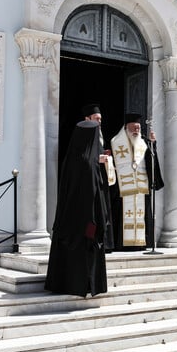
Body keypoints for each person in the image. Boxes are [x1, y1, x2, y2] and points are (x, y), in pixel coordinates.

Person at [45, 120, 108, 297]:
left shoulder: (73, 157)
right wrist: (99, 220)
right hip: (87, 221)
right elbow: (94, 195)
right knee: (85, 254)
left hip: (69, 219)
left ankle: (63, 283)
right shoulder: (90, 164)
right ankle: (86, 285)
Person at [110, 113, 164, 250]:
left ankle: (142, 244)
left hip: (141, 188)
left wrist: (153, 144)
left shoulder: (144, 143)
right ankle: (122, 245)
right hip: (124, 189)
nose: (136, 131)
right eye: (133, 128)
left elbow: (152, 163)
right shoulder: (116, 143)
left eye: (138, 128)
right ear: (126, 128)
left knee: (142, 216)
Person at [83, 103, 115, 252]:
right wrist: (97, 159)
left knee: (103, 212)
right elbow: (82, 159)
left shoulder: (100, 135)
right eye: (96, 118)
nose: (99, 122)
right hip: (89, 182)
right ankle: (90, 242)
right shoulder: (82, 136)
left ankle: (104, 243)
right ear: (87, 119)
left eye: (100, 119)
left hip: (101, 179)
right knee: (92, 214)